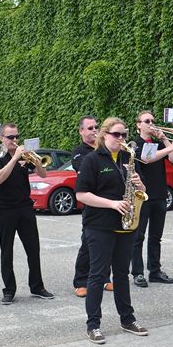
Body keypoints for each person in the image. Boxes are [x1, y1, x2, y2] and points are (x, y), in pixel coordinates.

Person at [75, 117, 148, 344]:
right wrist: (112, 203)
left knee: (122, 275)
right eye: (117, 134)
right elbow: (81, 194)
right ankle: (93, 324)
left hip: (125, 225)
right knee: (97, 275)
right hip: (99, 225)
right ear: (104, 135)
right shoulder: (92, 160)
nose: (121, 138)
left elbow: (142, 191)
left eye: (124, 134)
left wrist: (139, 185)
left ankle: (127, 319)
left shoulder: (129, 158)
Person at [0, 123, 54, 305]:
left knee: (33, 248)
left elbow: (43, 175)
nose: (15, 140)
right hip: (4, 209)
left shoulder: (24, 156)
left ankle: (37, 286)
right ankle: (9, 290)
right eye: (10, 137)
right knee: (6, 250)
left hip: (25, 207)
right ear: (2, 138)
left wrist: (36, 161)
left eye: (16, 136)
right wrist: (15, 158)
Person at [131, 110, 173, 288]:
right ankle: (137, 272)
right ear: (138, 125)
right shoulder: (135, 144)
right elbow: (147, 159)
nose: (151, 123)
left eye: (152, 120)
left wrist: (166, 140)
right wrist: (171, 146)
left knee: (156, 236)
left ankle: (155, 271)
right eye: (147, 121)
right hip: (143, 195)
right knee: (139, 236)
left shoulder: (159, 144)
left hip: (160, 194)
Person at [71, 116, 114, 298]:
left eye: (96, 127)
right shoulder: (80, 153)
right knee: (88, 245)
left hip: (110, 204)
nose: (94, 130)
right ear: (81, 131)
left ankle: (105, 278)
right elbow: (88, 170)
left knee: (110, 244)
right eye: (89, 128)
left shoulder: (106, 150)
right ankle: (80, 281)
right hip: (92, 205)